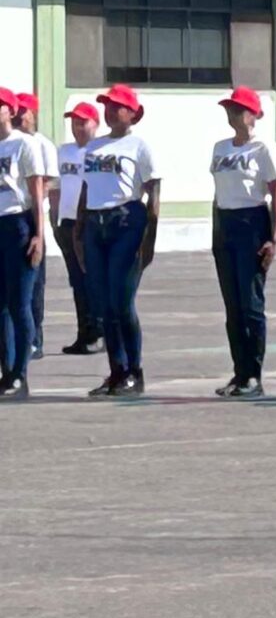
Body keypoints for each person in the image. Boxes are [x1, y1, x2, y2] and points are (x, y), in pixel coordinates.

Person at [74, 84, 159, 398]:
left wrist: (148, 239)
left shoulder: (139, 147)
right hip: (96, 223)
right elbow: (86, 190)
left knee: (122, 301)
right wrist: (79, 230)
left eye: (118, 106)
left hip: (126, 219)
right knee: (104, 303)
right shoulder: (94, 147)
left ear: (133, 113)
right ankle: (116, 371)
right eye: (107, 105)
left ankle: (134, 371)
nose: (111, 110)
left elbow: (153, 194)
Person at [208, 86, 276, 398]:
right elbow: (218, 193)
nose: (233, 114)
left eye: (239, 108)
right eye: (229, 108)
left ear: (253, 114)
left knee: (250, 302)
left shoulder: (264, 148)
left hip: (252, 221)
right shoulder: (220, 148)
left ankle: (253, 374)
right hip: (225, 222)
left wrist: (273, 237)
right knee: (232, 305)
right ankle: (239, 371)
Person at [0, 91, 44, 399]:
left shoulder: (24, 144)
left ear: (10, 110)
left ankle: (20, 373)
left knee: (19, 303)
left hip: (19, 223)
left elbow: (36, 192)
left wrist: (39, 235)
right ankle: (5, 372)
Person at [50, 100, 98, 357]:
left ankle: (98, 331)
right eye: (74, 122)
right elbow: (55, 187)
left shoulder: (98, 151)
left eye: (83, 122)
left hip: (89, 222)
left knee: (92, 279)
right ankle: (84, 332)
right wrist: (54, 219)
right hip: (67, 222)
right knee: (77, 281)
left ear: (95, 124)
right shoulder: (64, 151)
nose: (78, 127)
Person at [9, 92, 54, 360]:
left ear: (32, 114)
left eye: (23, 111)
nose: (19, 116)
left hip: (34, 218)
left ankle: (35, 337)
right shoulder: (11, 143)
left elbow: (47, 182)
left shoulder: (40, 145)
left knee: (35, 284)